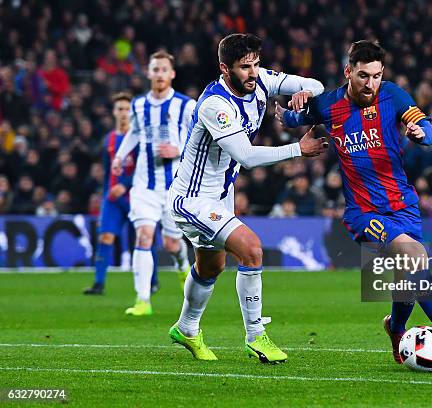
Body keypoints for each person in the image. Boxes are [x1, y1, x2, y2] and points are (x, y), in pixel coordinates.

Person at [277, 40, 432, 362]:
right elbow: (288, 118)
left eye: (376, 76)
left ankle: (396, 328)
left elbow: (430, 131)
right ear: (348, 72)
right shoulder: (328, 105)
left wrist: (420, 135)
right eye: (363, 76)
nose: (370, 83)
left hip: (404, 204)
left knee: (407, 276)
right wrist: (293, 100)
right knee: (415, 256)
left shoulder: (393, 95)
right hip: (363, 210)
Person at [168, 33, 326, 363]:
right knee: (252, 250)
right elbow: (247, 156)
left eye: (255, 64)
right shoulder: (215, 105)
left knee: (211, 266)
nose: (253, 73)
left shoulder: (261, 79)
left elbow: (316, 83)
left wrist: (306, 92)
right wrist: (299, 149)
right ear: (225, 69)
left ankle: (186, 327)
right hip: (193, 199)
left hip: (221, 197)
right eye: (244, 67)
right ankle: (256, 336)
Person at [112, 51, 195, 316]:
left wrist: (179, 149)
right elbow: (135, 133)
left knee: (172, 244)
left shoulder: (186, 105)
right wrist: (120, 155)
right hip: (144, 186)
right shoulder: (138, 105)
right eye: (154, 69)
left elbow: (200, 138)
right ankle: (143, 300)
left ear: (172, 74)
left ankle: (183, 266)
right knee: (144, 236)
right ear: (148, 73)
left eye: (163, 69)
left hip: (175, 188)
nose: (159, 74)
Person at [83, 92, 158, 295]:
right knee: (105, 237)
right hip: (113, 199)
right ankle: (99, 284)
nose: (124, 113)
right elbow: (108, 171)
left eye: (127, 109)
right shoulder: (109, 139)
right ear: (114, 112)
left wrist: (124, 185)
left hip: (137, 196)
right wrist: (106, 191)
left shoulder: (139, 138)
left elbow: (145, 167)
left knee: (143, 238)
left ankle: (153, 280)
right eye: (120, 109)